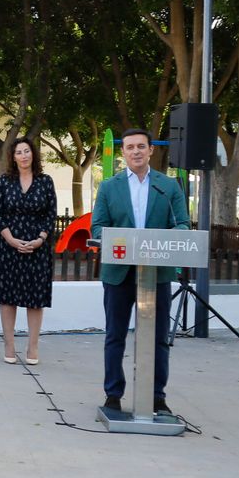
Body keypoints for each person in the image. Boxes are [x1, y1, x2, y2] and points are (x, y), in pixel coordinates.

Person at [91, 128, 190, 415]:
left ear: (151, 151)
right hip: (119, 273)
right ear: (123, 152)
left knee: (159, 338)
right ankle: (113, 395)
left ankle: (156, 397)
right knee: (115, 336)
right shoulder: (109, 187)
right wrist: (124, 240)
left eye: (141, 147)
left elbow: (181, 224)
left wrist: (162, 239)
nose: (135, 152)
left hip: (156, 274)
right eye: (130, 147)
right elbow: (98, 227)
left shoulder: (168, 187)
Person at [0, 136, 57, 365]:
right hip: (9, 247)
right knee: (8, 297)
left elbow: (51, 215)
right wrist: (11, 240)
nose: (24, 155)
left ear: (33, 154)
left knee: (34, 299)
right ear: (13, 156)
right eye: (19, 152)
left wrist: (40, 239)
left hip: (37, 248)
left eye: (27, 151)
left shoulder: (45, 181)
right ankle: (9, 345)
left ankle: (33, 345)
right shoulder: (5, 181)